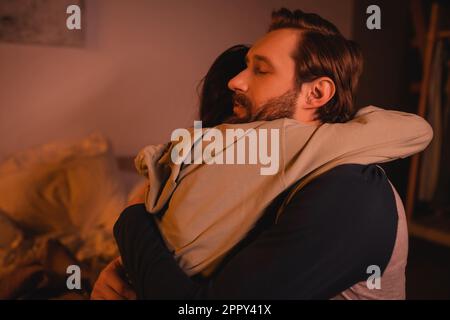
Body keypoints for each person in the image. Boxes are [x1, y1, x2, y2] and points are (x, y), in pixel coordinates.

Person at [92, 8, 432, 300]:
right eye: (245, 66)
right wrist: (123, 272)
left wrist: (132, 217)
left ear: (316, 92)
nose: (236, 81)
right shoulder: (264, 169)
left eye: (261, 69)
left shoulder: (351, 191)